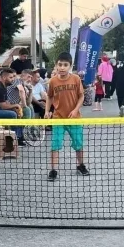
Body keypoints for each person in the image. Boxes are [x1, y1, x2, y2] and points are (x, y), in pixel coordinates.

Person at [45, 52, 89, 181]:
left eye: (65, 65)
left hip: (74, 118)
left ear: (70, 66)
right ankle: (53, 170)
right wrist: (47, 110)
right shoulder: (52, 81)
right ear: (56, 65)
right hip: (58, 118)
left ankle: (80, 165)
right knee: (55, 145)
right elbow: (49, 96)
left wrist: (75, 110)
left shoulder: (76, 79)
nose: (62, 67)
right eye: (60, 65)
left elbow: (81, 96)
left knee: (78, 144)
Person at [0, 68, 24, 144]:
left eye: (13, 77)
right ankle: (15, 140)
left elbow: (7, 102)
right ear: (4, 78)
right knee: (12, 114)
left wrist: (15, 108)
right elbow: (3, 106)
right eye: (11, 77)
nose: (13, 79)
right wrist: (16, 105)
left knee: (16, 112)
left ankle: (19, 137)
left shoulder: (4, 87)